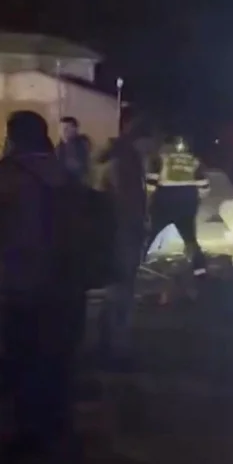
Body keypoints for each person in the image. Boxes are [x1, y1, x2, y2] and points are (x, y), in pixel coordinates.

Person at [0, 110, 86, 464]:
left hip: (13, 290)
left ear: (11, 138)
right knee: (56, 365)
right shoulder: (67, 175)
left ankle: (21, 445)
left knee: (15, 365)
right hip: (64, 290)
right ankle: (57, 442)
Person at [92, 121, 149, 369]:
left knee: (116, 292)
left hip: (114, 234)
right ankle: (116, 349)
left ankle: (108, 344)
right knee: (121, 293)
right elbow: (128, 205)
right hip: (121, 235)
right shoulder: (125, 164)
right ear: (141, 140)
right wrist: (137, 230)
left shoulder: (122, 159)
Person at [145, 134, 210, 277]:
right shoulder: (192, 160)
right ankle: (200, 270)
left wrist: (148, 202)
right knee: (190, 238)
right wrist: (196, 200)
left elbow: (151, 184)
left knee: (149, 234)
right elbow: (204, 185)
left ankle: (135, 266)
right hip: (187, 202)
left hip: (164, 201)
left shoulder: (160, 158)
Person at [55, 116, 92, 184]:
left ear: (75, 129)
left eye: (66, 128)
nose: (63, 131)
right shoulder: (58, 148)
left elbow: (82, 167)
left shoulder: (82, 145)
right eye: (61, 128)